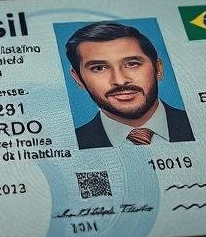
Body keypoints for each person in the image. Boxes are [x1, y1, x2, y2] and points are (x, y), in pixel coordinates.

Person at [65, 21, 194, 148]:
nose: (120, 81)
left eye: (132, 64)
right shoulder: (72, 143)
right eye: (99, 68)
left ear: (158, 69)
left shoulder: (200, 122)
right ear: (78, 79)